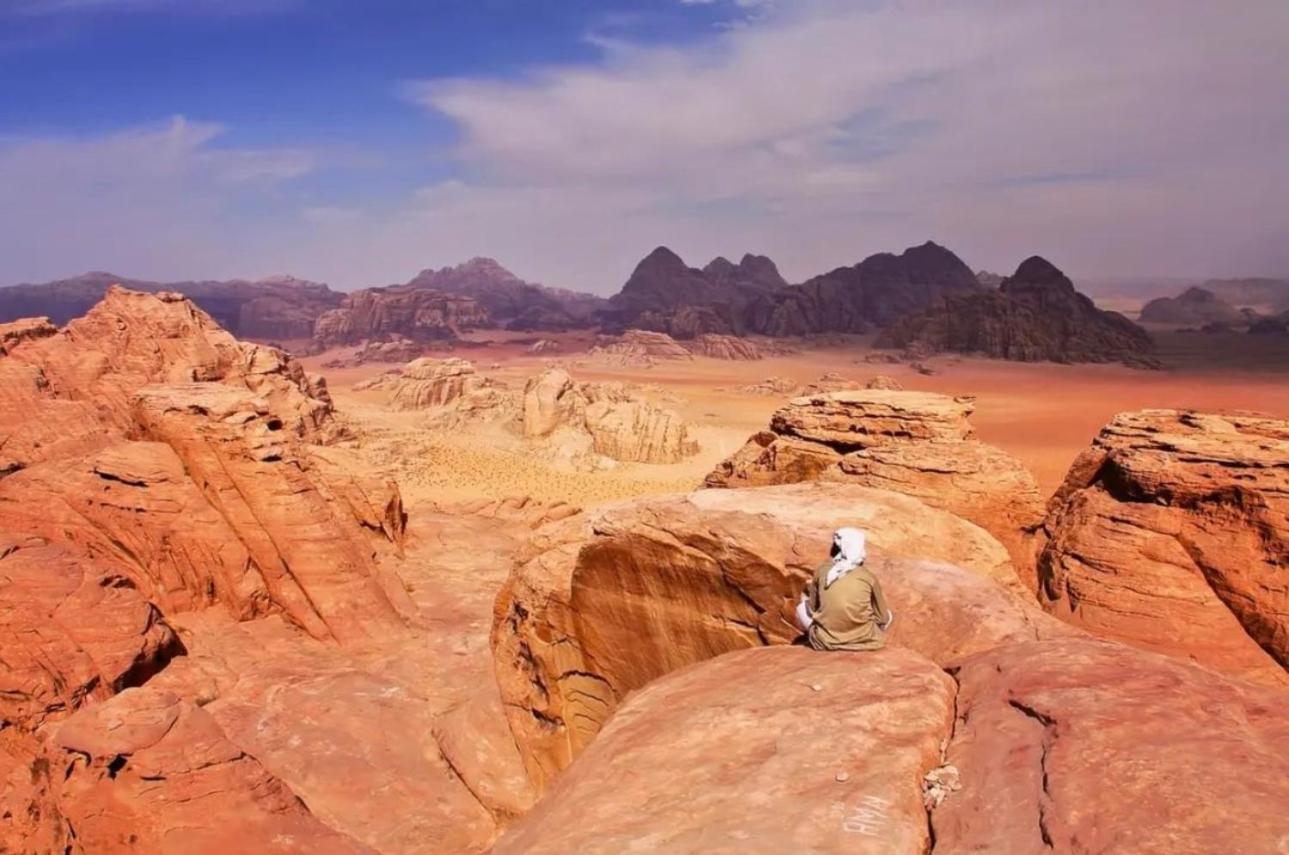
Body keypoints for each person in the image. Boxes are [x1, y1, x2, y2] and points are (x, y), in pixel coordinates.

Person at [795, 527, 894, 651]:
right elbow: (883, 618)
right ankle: (858, 637)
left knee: (801, 607)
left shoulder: (822, 571)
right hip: (864, 638)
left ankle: (815, 637)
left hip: (825, 641)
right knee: (888, 615)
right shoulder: (868, 576)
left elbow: (813, 609)